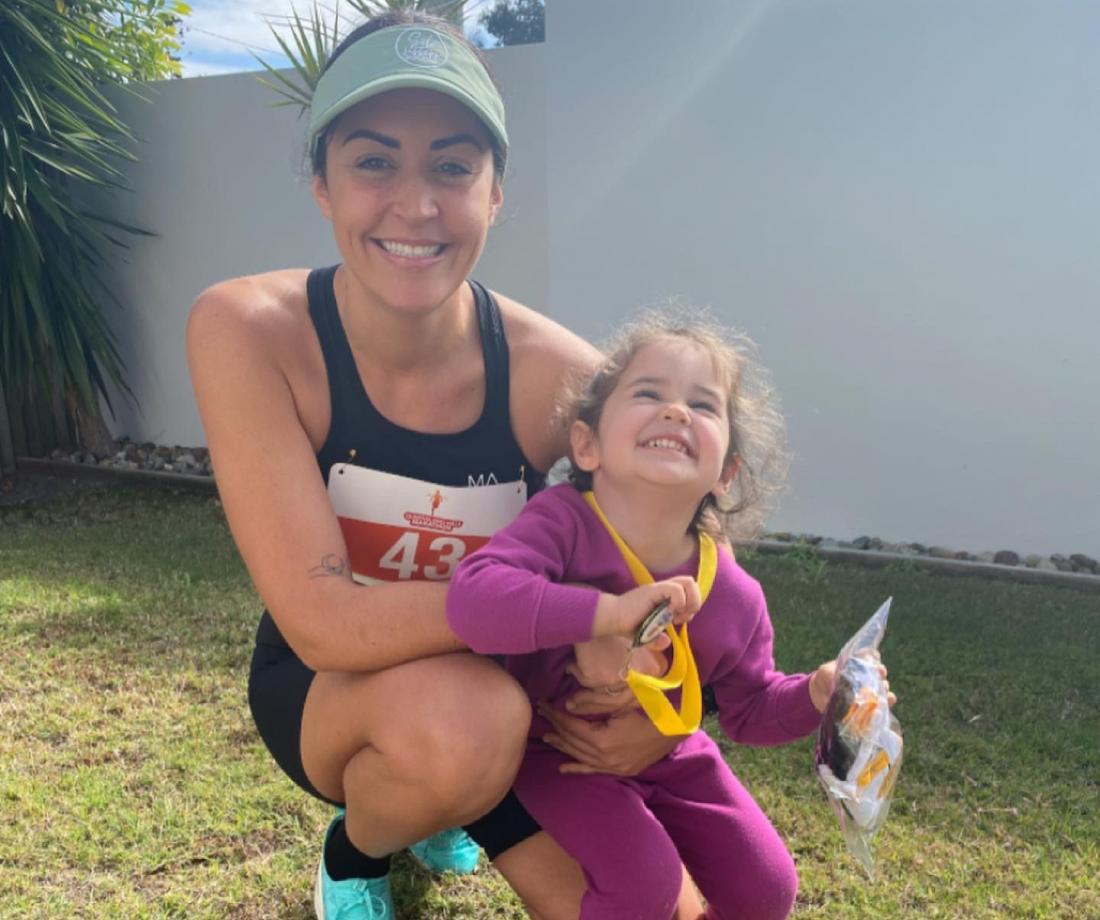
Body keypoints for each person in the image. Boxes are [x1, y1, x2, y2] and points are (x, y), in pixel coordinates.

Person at [187, 11, 706, 920]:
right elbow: (321, 622)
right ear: (321, 183)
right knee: (467, 728)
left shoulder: (564, 380)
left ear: (498, 191)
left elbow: (688, 538)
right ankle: (358, 851)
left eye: (454, 166)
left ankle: (457, 797)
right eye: (373, 161)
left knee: (664, 909)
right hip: (330, 692)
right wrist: (576, 619)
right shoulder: (249, 332)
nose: (416, 204)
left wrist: (661, 697)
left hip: (513, 689)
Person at [446, 313, 850, 919]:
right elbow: (472, 600)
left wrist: (817, 693)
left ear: (726, 473)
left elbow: (750, 710)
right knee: (644, 886)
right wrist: (605, 614)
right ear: (587, 444)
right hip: (555, 752)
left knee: (767, 889)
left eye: (703, 405)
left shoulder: (732, 591)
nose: (677, 412)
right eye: (648, 393)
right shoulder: (562, 522)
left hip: (674, 757)